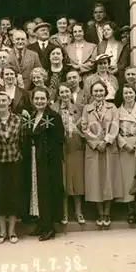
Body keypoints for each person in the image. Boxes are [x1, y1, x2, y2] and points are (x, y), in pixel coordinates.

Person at [23, 87, 65, 241]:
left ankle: (49, 227)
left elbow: (59, 140)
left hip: (48, 161)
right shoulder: (33, 116)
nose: (39, 101)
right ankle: (41, 223)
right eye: (36, 99)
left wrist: (49, 157)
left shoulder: (53, 116)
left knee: (47, 191)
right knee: (36, 190)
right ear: (32, 100)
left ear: (48, 100)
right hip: (34, 157)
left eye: (42, 99)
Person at [0, 91, 27, 244]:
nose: (1, 103)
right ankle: (2, 232)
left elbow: (22, 141)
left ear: (9, 102)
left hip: (14, 162)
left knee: (14, 196)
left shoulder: (19, 120)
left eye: (4, 100)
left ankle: (12, 231)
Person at [81, 81, 123, 229]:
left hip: (108, 148)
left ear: (105, 92)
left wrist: (106, 141)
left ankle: (107, 212)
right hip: (94, 149)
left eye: (101, 91)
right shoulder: (87, 108)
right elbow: (84, 128)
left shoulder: (112, 108)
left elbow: (115, 126)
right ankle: (100, 213)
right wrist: (95, 142)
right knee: (96, 181)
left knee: (108, 180)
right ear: (92, 93)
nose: (98, 94)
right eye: (95, 91)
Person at [51, 83, 86, 225]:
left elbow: (85, 128)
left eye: (67, 92)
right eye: (62, 92)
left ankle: (78, 212)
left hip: (76, 147)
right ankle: (64, 213)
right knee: (64, 180)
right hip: (62, 147)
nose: (65, 94)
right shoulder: (54, 109)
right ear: (58, 95)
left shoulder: (80, 109)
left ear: (71, 93)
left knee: (77, 180)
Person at [116, 83, 136, 225]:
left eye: (130, 92)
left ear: (135, 93)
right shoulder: (117, 111)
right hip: (125, 147)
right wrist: (124, 144)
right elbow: (114, 130)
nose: (128, 95)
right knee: (127, 180)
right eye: (125, 93)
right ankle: (130, 211)